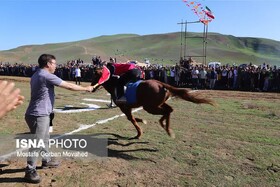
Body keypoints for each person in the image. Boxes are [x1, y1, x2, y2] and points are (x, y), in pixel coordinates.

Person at [24, 54, 94, 183]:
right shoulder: (46, 75)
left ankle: (46, 160)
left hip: (40, 113)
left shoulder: (36, 74)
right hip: (38, 114)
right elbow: (69, 86)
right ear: (48, 64)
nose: (56, 66)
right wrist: (86, 88)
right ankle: (30, 170)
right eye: (54, 63)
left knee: (44, 139)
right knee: (37, 142)